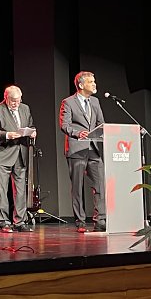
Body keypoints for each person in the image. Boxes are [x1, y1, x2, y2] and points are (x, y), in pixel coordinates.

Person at [59, 71, 106, 233]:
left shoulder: (95, 101)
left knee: (100, 185)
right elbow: (65, 125)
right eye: (91, 82)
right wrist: (78, 133)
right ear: (81, 85)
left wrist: (103, 132)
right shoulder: (68, 102)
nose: (94, 84)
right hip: (77, 148)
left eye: (94, 81)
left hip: (94, 148)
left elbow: (101, 123)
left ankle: (101, 219)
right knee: (77, 187)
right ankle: (80, 221)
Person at [0, 85, 36, 233]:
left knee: (20, 190)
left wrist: (32, 132)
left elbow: (30, 124)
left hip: (21, 154)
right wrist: (7, 135)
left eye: (18, 100)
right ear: (6, 98)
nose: (16, 103)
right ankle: (3, 222)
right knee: (1, 190)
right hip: (3, 154)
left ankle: (20, 221)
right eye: (13, 100)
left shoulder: (25, 108)